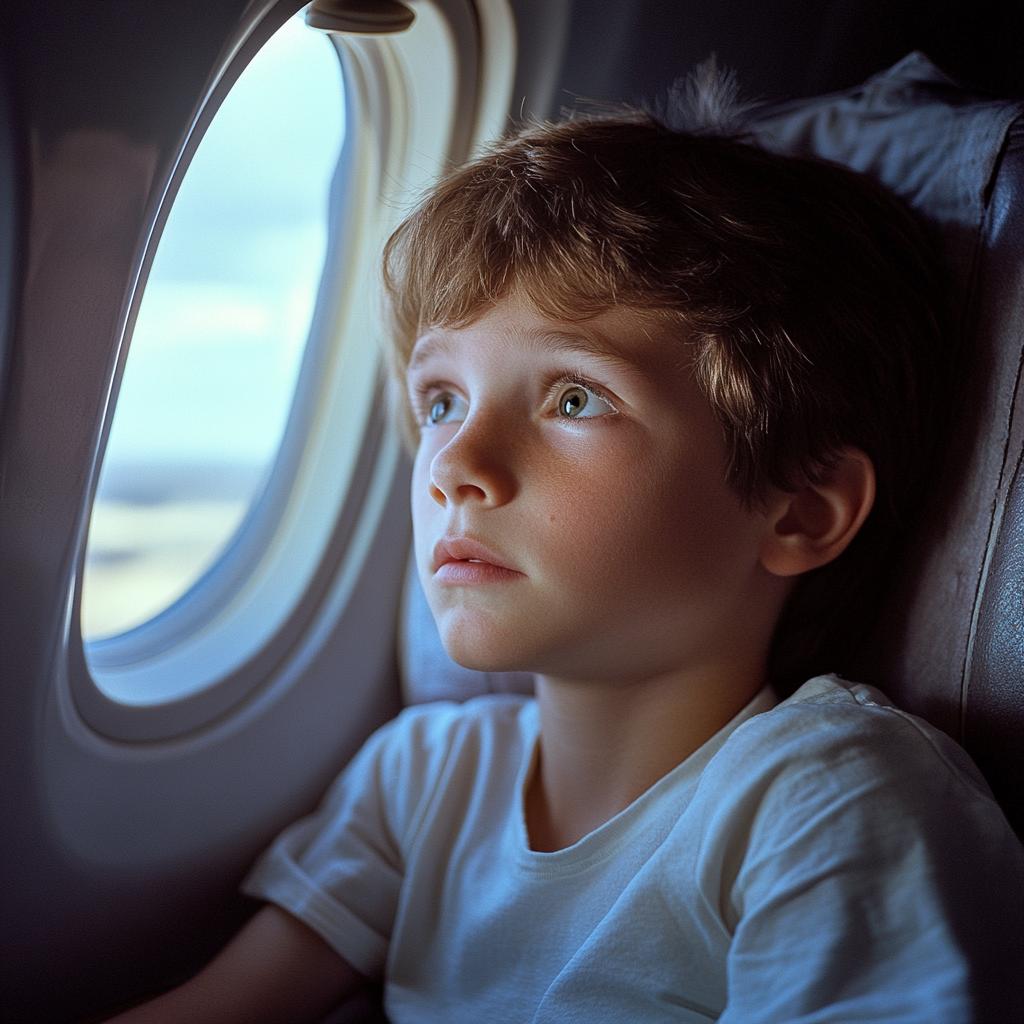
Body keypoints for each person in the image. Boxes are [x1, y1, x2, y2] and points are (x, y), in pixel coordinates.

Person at [106, 112, 1024, 1024]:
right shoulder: (423, 782)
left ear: (799, 508)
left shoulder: (830, 803)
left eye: (574, 396)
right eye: (440, 401)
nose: (455, 463)